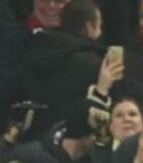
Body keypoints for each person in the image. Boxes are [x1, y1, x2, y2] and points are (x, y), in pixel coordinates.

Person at [19, 0, 104, 139]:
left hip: (34, 134)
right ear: (89, 26)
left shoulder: (36, 48)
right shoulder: (91, 63)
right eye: (99, 26)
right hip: (71, 137)